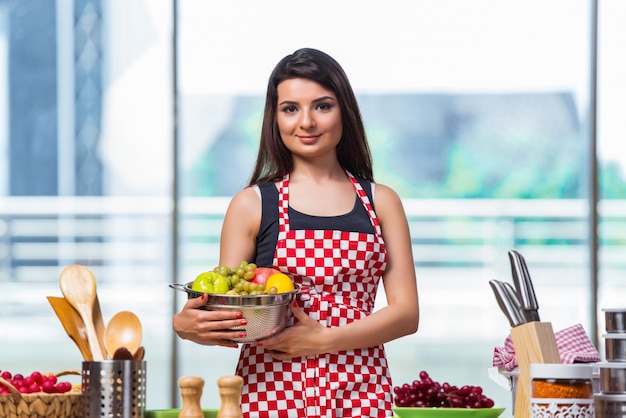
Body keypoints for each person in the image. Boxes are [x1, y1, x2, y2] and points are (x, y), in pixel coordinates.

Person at [173, 47, 419, 418]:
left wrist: (324, 340)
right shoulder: (251, 204)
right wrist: (188, 325)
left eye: (322, 106)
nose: (306, 122)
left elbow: (406, 313)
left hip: (362, 394)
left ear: (344, 112)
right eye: (290, 108)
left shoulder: (381, 202)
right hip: (268, 394)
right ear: (275, 117)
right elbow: (231, 308)